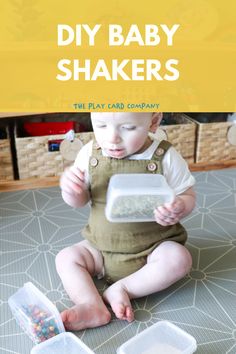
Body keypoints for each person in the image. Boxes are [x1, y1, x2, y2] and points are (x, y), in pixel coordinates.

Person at [56, 112, 195, 331]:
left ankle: (123, 289)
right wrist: (71, 189)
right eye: (101, 125)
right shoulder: (89, 154)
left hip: (153, 249)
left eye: (128, 128)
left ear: (153, 121)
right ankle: (91, 305)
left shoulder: (164, 156)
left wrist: (180, 206)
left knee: (179, 258)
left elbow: (188, 196)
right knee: (66, 258)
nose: (112, 138)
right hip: (100, 249)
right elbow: (79, 201)